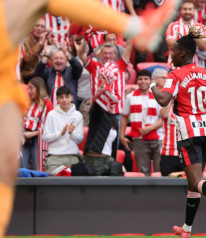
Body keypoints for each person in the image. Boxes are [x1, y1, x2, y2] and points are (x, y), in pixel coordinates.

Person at [0, 0, 178, 235]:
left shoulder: (118, 64)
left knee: (7, 168)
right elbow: (81, 56)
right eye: (104, 50)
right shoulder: (94, 65)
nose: (106, 53)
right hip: (96, 105)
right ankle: (135, 26)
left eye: (109, 50)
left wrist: (127, 34)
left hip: (109, 108)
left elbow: (121, 52)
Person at [149, 27, 206, 236]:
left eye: (173, 51)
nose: (171, 54)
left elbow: (163, 99)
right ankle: (187, 229)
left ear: (182, 53)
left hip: (188, 133)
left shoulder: (176, 74)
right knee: (194, 185)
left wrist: (154, 85)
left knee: (196, 181)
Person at [120, 70, 163, 176]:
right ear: (136, 81)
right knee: (143, 172)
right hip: (139, 139)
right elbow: (124, 116)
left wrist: (150, 128)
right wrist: (121, 136)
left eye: (146, 79)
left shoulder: (159, 96)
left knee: (161, 171)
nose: (143, 81)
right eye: (140, 79)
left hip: (159, 138)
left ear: (150, 81)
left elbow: (164, 118)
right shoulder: (130, 97)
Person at [83, 62, 120, 176]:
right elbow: (95, 106)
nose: (111, 102)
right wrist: (102, 87)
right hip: (94, 161)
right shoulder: (98, 113)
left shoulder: (113, 120)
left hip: (108, 160)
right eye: (108, 99)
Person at [42, 86, 84, 175]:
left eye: (67, 97)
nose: (64, 100)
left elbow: (80, 139)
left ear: (72, 98)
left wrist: (72, 133)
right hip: (54, 157)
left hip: (73, 156)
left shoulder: (78, 115)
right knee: (53, 186)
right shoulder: (51, 114)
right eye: (61, 97)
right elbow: (45, 137)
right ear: (57, 99)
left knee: (75, 186)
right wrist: (60, 133)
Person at [22, 77, 54, 171]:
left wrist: (33, 133)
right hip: (25, 138)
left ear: (39, 88)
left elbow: (50, 127)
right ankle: (25, 186)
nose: (28, 91)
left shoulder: (47, 104)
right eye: (28, 88)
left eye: (31, 88)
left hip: (39, 139)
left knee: (38, 167)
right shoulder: (27, 102)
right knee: (23, 167)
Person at [165, 0, 206, 68]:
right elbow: (170, 45)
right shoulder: (173, 26)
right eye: (185, 9)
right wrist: (189, 38)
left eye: (190, 9)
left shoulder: (200, 27)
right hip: (175, 67)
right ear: (180, 11)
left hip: (196, 67)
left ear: (194, 11)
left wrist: (193, 34)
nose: (187, 12)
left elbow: (203, 46)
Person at [20, 18, 52, 83]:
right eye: (37, 25)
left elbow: (56, 55)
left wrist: (49, 40)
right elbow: (26, 59)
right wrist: (40, 44)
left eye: (42, 26)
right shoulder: (26, 40)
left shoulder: (47, 38)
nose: (39, 28)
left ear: (45, 29)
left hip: (46, 74)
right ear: (32, 27)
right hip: (30, 74)